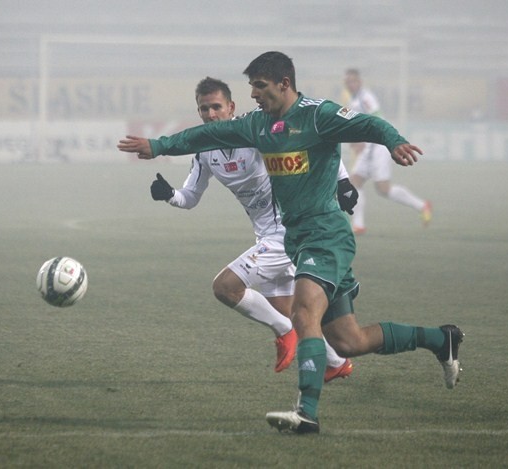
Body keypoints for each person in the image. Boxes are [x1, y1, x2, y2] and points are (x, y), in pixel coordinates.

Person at [118, 51, 464, 435]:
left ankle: (307, 413)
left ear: (284, 83)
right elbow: (206, 135)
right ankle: (441, 339)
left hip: (325, 234)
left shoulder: (318, 114)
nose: (255, 96)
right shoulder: (257, 126)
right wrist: (160, 144)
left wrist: (393, 143)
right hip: (299, 240)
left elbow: (368, 124)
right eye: (252, 89)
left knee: (302, 315)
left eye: (260, 87)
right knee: (349, 341)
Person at [150, 77, 356, 380]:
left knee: (226, 287)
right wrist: (169, 195)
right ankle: (337, 362)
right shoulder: (205, 151)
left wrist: (343, 181)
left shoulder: (256, 132)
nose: (210, 115)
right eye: (204, 109)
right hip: (266, 236)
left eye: (216, 107)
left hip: (288, 233)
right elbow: (190, 197)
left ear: (231, 107)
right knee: (294, 315)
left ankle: (285, 332)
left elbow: (308, 143)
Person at [343, 68, 432, 234]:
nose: (350, 84)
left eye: (353, 81)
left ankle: (422, 206)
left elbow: (377, 117)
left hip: (377, 147)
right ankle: (359, 225)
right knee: (353, 183)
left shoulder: (366, 97)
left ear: (359, 82)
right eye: (347, 82)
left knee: (383, 189)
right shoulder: (354, 100)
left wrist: (363, 139)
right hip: (368, 147)